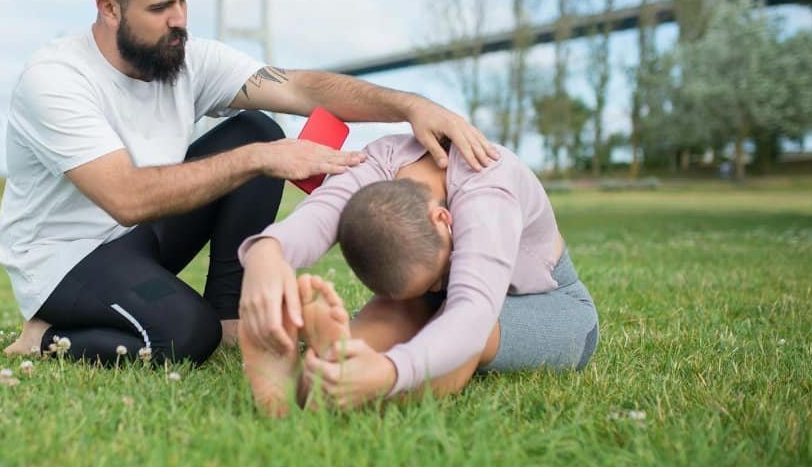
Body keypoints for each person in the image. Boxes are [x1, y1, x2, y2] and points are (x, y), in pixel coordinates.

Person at [0, 0, 497, 366]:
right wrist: (260, 159)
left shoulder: (185, 58)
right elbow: (125, 197)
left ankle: (231, 317)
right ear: (109, 8)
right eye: (161, 7)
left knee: (257, 125)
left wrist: (410, 105)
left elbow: (300, 86)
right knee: (187, 336)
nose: (180, 20)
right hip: (66, 261)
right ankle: (45, 338)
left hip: (140, 241)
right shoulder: (55, 80)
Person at [237, 134, 598, 415]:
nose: (443, 283)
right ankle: (311, 380)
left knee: (463, 329)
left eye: (437, 276)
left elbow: (471, 313)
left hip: (547, 304)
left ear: (444, 219)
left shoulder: (488, 191)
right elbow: (319, 214)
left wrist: (391, 371)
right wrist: (266, 253)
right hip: (446, 301)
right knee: (394, 314)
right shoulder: (380, 163)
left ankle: (367, 394)